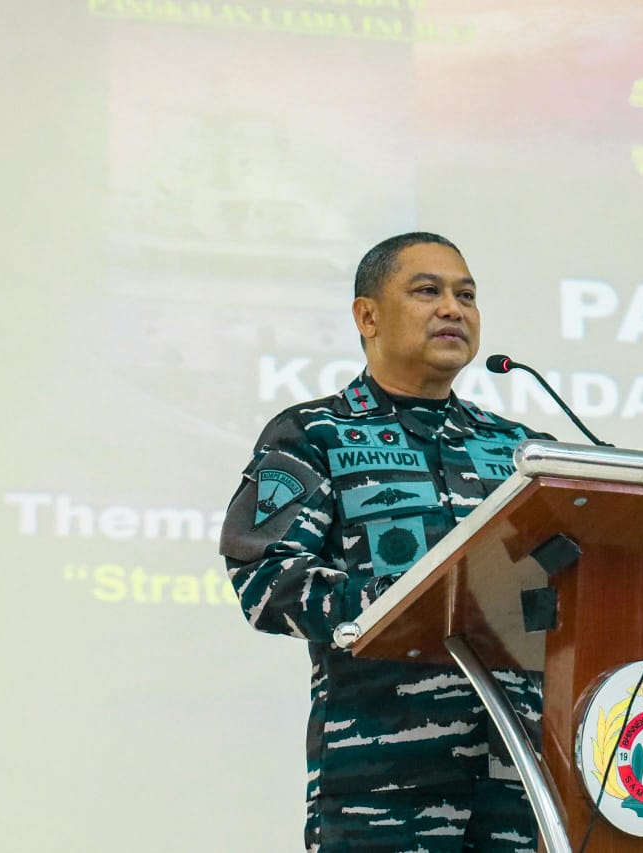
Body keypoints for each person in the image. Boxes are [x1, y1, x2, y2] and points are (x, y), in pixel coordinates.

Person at [220, 233, 551, 852]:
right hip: (381, 789)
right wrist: (404, 602)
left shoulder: (521, 452)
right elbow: (265, 580)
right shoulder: (313, 435)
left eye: (467, 295)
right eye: (428, 291)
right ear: (367, 316)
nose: (453, 309)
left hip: (521, 785)